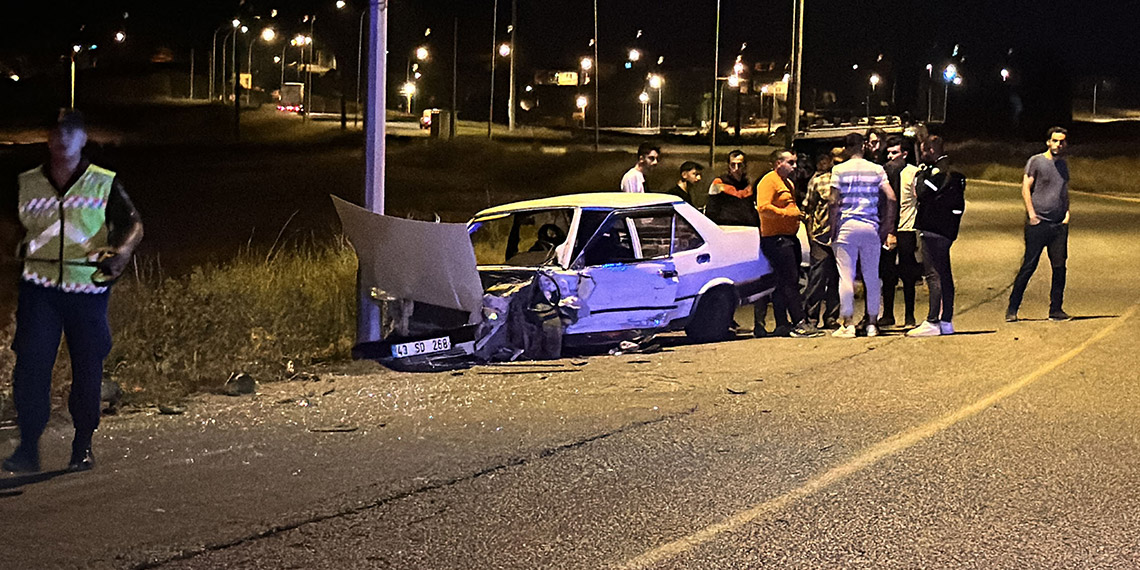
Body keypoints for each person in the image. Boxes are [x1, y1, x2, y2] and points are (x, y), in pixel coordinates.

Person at [3, 110, 144, 473]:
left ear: (84, 140)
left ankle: (82, 445)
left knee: (87, 368)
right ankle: (28, 448)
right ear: (49, 139)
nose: (63, 138)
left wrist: (121, 254)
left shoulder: (102, 182)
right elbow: (10, 224)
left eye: (71, 133)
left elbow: (133, 225)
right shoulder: (27, 182)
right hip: (39, 288)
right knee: (31, 367)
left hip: (87, 288)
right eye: (57, 132)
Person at [828, 132, 897, 338]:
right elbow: (891, 197)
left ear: (846, 149)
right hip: (870, 226)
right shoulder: (876, 169)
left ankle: (848, 323)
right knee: (872, 276)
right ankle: (872, 324)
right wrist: (887, 226)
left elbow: (833, 201)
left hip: (847, 226)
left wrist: (833, 228)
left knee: (846, 276)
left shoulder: (839, 170)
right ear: (864, 146)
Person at [1006, 127, 1072, 322]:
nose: (1058, 144)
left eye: (1061, 141)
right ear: (1048, 142)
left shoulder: (1063, 166)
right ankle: (1012, 308)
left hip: (1058, 225)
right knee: (1029, 266)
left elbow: (1063, 191)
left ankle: (1056, 309)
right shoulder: (1036, 161)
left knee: (1059, 267)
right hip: (1038, 223)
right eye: (1055, 141)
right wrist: (1032, 215)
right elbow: (1026, 188)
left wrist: (1066, 214)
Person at [754, 150, 822, 338]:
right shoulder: (768, 181)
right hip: (776, 239)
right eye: (790, 162)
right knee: (789, 281)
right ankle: (799, 322)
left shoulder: (788, 183)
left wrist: (797, 215)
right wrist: (789, 214)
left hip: (789, 237)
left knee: (783, 282)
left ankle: (782, 323)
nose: (794, 166)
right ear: (778, 163)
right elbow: (763, 208)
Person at [906, 135, 966, 337]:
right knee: (944, 273)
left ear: (931, 150)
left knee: (934, 274)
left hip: (934, 227)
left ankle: (933, 320)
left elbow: (921, 192)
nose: (922, 155)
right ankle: (946, 320)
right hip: (947, 229)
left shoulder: (937, 172)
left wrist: (921, 174)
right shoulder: (954, 171)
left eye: (924, 151)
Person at [880, 135, 922, 328]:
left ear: (904, 154)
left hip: (907, 227)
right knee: (887, 273)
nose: (890, 156)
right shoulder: (883, 173)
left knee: (908, 273)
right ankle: (888, 314)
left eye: (895, 152)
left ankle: (909, 316)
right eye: (889, 152)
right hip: (888, 228)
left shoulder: (913, 173)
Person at [803, 148, 843, 328]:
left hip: (841, 237)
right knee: (817, 278)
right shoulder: (818, 181)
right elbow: (808, 208)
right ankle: (811, 317)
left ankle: (831, 317)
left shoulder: (846, 180)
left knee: (836, 278)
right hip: (821, 236)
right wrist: (811, 234)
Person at [704, 150, 760, 227]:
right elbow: (711, 210)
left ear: (745, 166)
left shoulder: (749, 185)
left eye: (739, 165)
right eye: (733, 165)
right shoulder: (719, 183)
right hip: (725, 227)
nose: (736, 168)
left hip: (746, 227)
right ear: (729, 166)